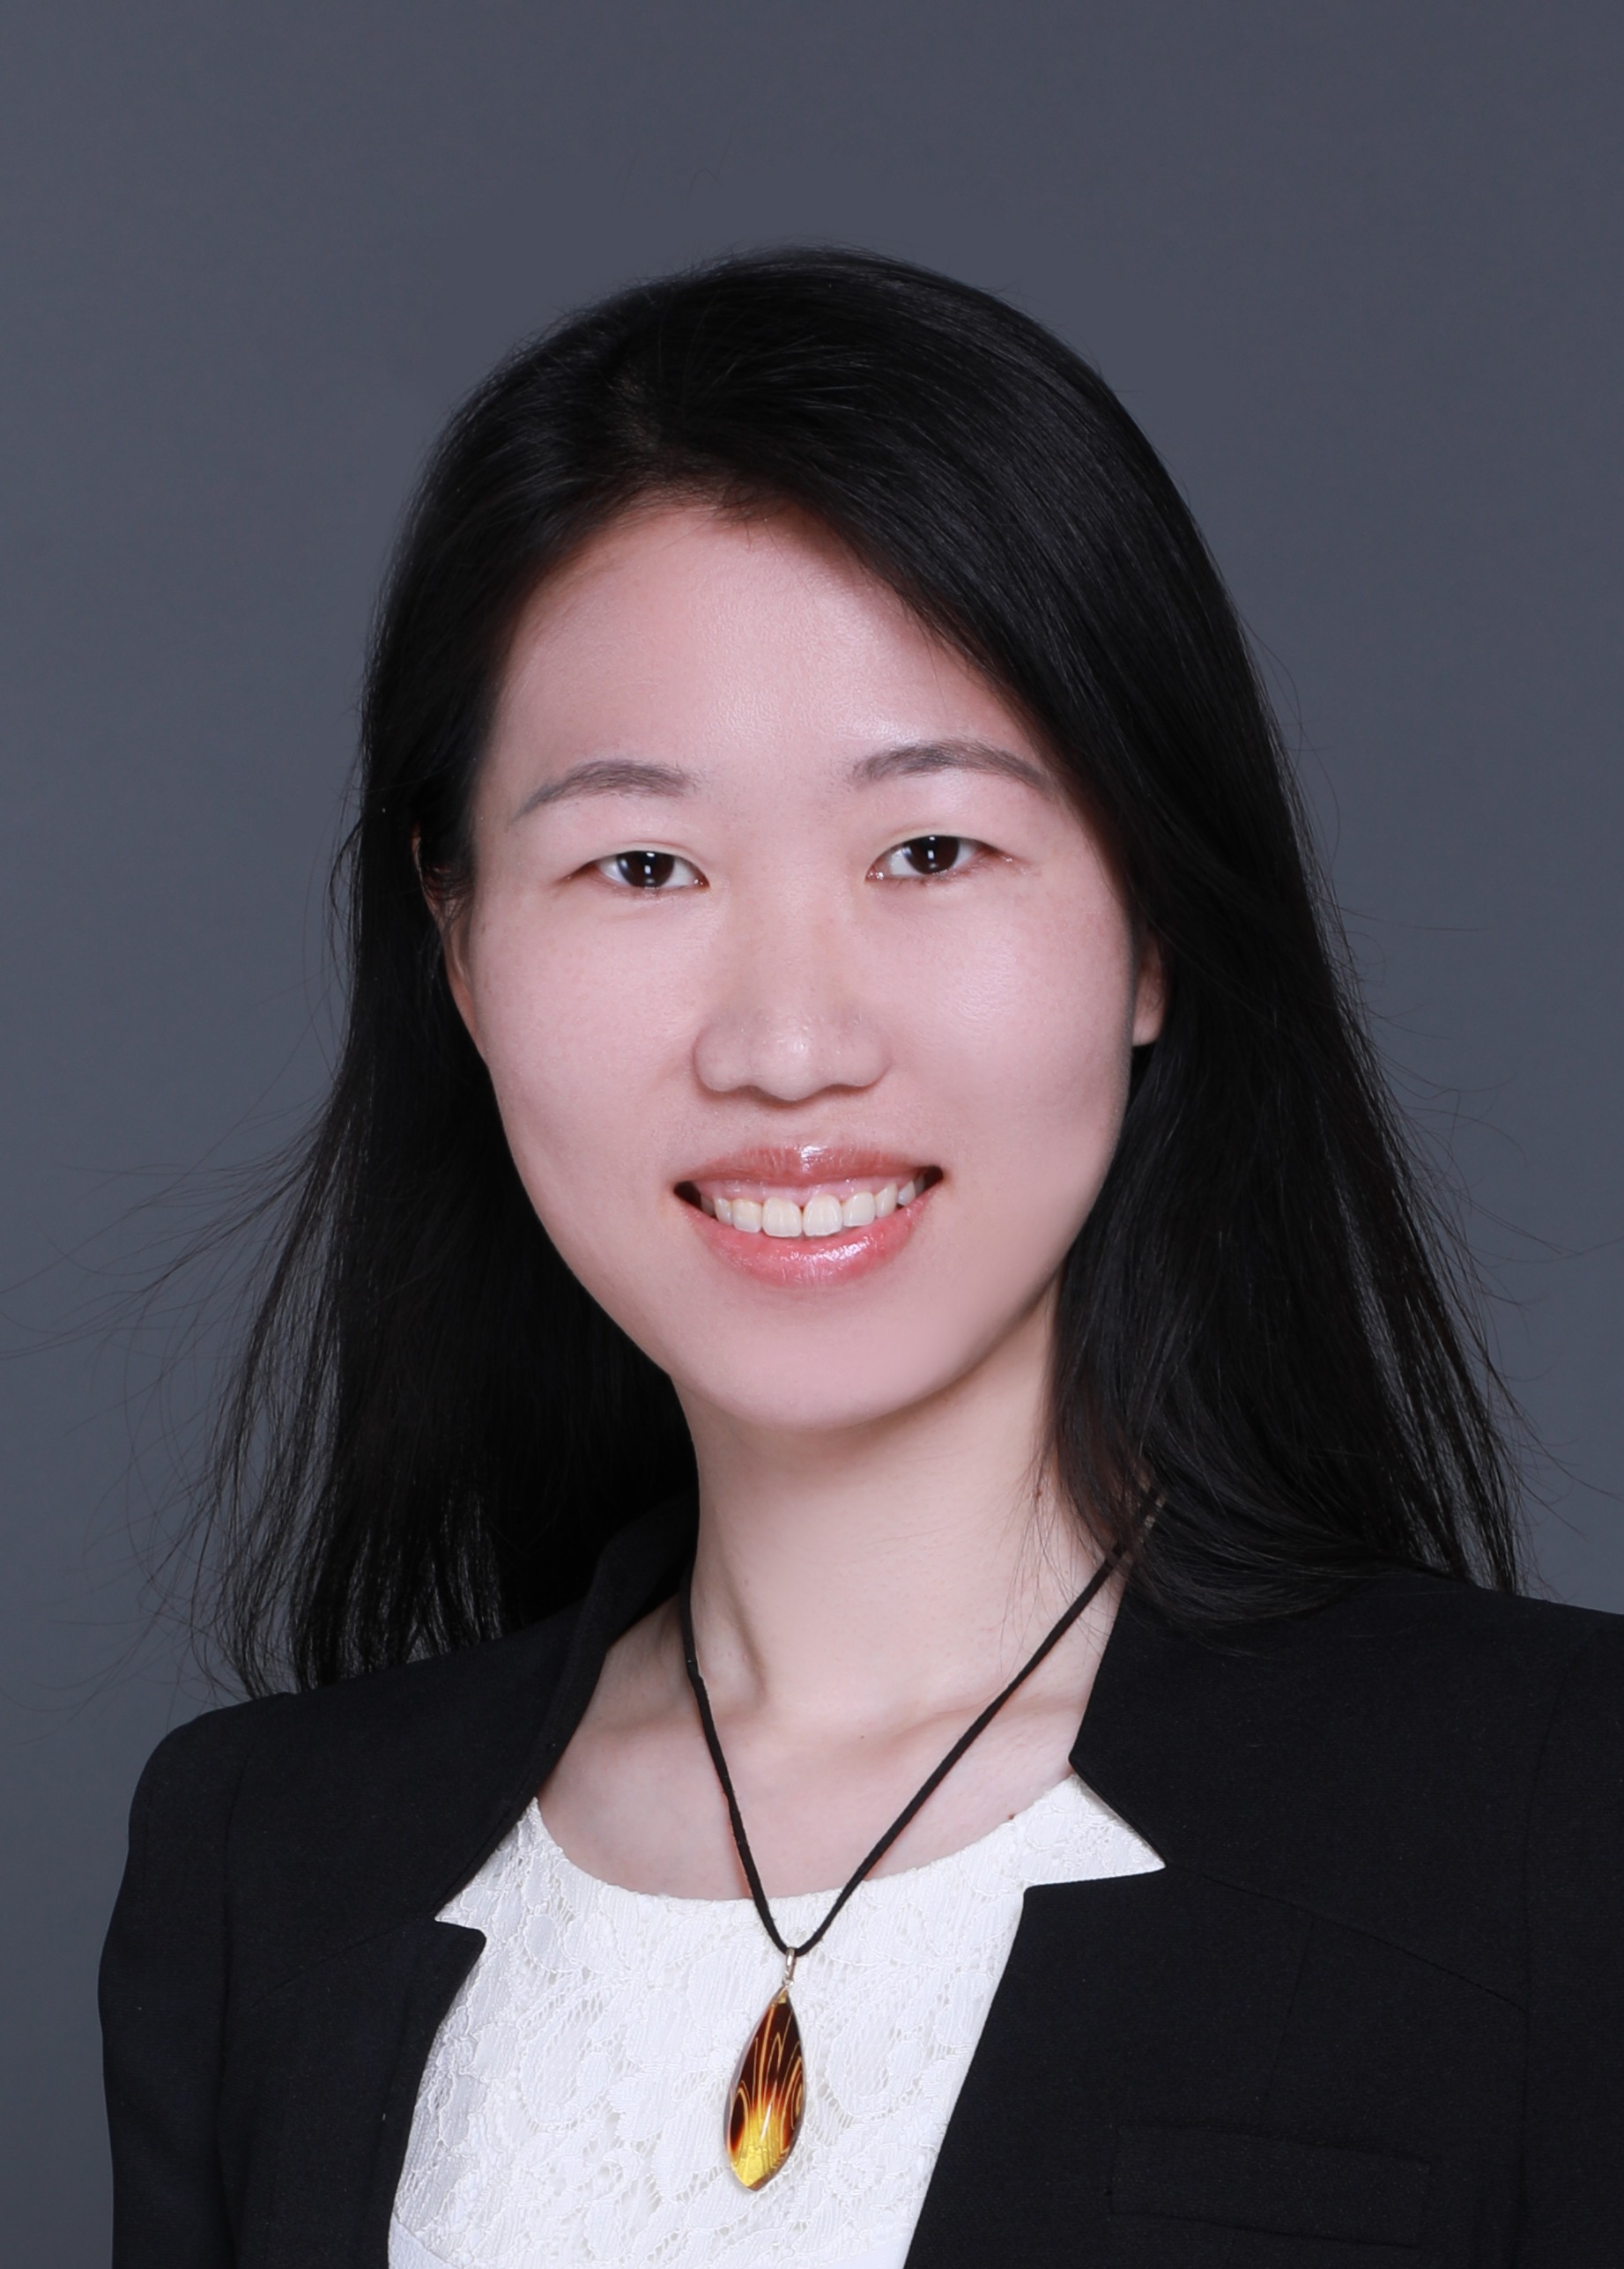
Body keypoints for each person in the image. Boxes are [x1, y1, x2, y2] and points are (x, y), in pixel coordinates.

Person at [100, 248, 1624, 2269]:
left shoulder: (1552, 1819)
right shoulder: (263, 1870)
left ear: (1154, 925)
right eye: (643, 864)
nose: (788, 1041)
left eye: (929, 850)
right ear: (456, 942)